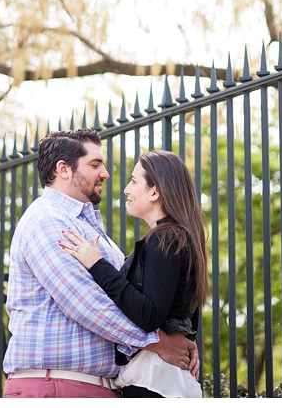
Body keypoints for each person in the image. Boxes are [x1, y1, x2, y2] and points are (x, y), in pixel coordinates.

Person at [3, 129, 198, 399]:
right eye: (95, 164)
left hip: (94, 387)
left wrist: (178, 335)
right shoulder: (47, 221)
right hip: (56, 386)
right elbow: (86, 303)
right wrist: (161, 343)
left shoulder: (87, 228)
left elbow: (133, 298)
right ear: (64, 169)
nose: (106, 173)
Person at [60, 150, 208, 398]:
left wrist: (97, 265)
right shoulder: (176, 238)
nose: (127, 189)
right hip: (163, 379)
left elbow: (149, 315)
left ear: (154, 191)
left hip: (155, 381)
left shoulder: (166, 238)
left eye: (134, 181)